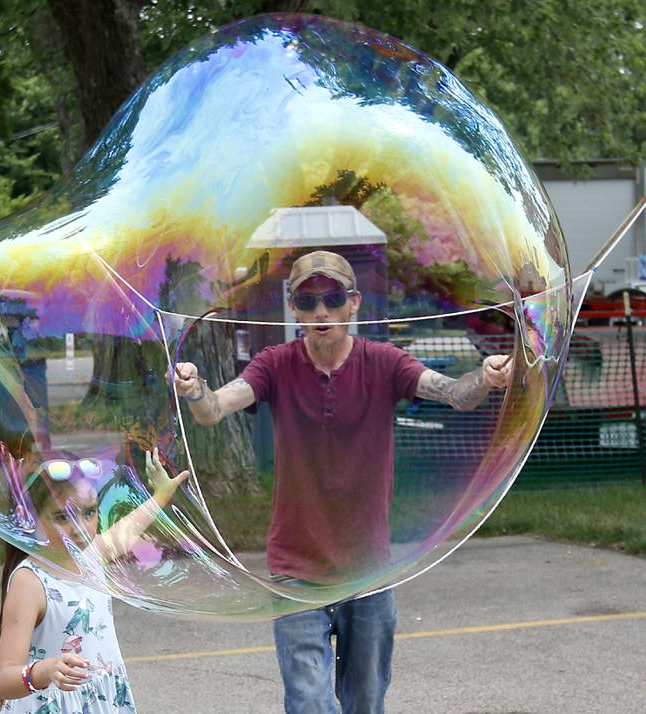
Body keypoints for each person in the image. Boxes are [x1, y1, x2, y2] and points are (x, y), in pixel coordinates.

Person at [173, 250, 511, 714]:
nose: (321, 311)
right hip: (295, 571)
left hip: (368, 569)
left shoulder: (384, 362)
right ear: (294, 309)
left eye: (332, 298)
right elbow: (215, 409)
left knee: (366, 703)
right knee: (308, 702)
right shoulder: (275, 363)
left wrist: (485, 378)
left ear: (353, 302)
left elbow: (454, 394)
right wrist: (195, 390)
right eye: (307, 301)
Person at [0, 447, 187, 713]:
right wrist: (44, 671)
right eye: (63, 516)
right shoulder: (30, 583)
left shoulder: (92, 556)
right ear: (28, 518)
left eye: (89, 512)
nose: (80, 527)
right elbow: (4, 680)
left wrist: (161, 495)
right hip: (53, 704)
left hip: (100, 701)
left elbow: (128, 529)